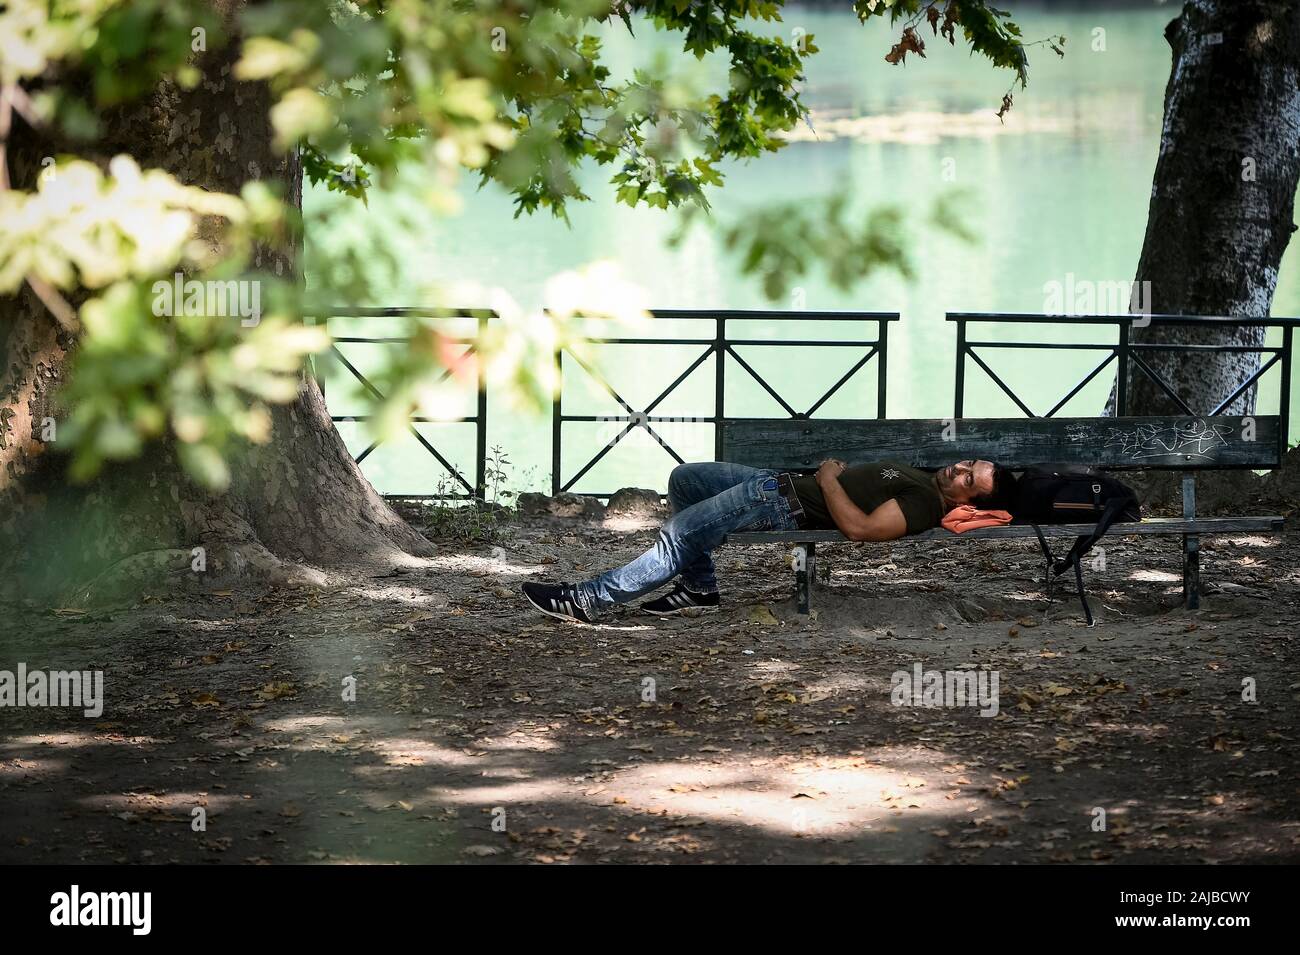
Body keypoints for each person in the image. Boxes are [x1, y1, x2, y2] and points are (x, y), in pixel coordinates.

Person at [521, 458, 1018, 624]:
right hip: (775, 481)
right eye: (968, 464)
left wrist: (827, 480)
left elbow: (860, 531)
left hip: (781, 501)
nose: (960, 470)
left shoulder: (924, 504)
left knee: (677, 535)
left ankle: (589, 600)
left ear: (962, 502)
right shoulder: (927, 478)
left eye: (969, 480)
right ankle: (700, 591)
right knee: (685, 479)